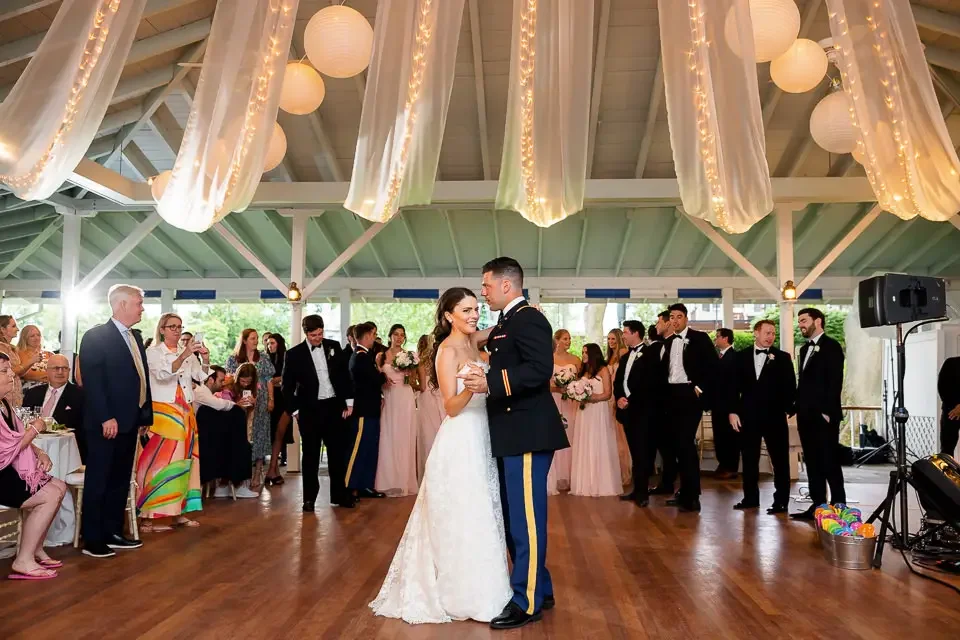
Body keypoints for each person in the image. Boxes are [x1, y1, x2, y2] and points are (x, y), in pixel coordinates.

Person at [370, 287, 510, 624]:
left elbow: (499, 329)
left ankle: (487, 587)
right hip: (461, 436)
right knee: (463, 511)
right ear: (448, 316)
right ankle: (458, 593)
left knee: (483, 510)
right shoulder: (447, 351)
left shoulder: (472, 340)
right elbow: (450, 405)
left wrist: (524, 312)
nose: (474, 315)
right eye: (466, 310)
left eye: (476, 309)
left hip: (482, 434)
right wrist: (475, 389)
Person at [460, 257, 568, 630]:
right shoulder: (507, 321)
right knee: (514, 520)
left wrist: (491, 382)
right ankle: (543, 586)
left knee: (525, 522)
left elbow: (539, 370)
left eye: (486, 285)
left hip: (527, 432)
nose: (483, 291)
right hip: (513, 431)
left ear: (507, 285)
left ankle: (526, 601)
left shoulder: (529, 318)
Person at [78, 284, 152, 558]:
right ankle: (93, 539)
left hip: (130, 421)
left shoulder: (134, 337)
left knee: (120, 480)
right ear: (121, 304)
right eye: (138, 302)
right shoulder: (96, 336)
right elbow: (93, 382)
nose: (142, 308)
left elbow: (141, 379)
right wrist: (105, 416)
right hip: (105, 422)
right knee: (100, 479)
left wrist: (145, 414)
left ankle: (112, 532)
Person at [136, 314, 209, 533]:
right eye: (172, 327)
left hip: (186, 410)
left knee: (185, 462)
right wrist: (186, 353)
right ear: (162, 329)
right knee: (160, 461)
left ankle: (179, 512)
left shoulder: (185, 353)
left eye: (179, 327)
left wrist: (205, 358)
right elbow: (162, 376)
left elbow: (201, 376)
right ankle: (148, 515)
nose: (177, 331)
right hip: (163, 411)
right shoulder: (153, 352)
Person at [0, 352, 68, 580]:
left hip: (9, 469)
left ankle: (34, 546)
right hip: (2, 473)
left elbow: (18, 437)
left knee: (59, 486)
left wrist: (39, 451)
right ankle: (23, 560)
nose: (12, 375)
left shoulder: (4, 404)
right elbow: (6, 452)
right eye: (4, 371)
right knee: (49, 495)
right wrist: (36, 430)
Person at [282, 314, 354, 511]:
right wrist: (294, 409)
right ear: (306, 333)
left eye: (320, 333)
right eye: (314, 335)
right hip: (309, 411)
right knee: (311, 456)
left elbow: (344, 377)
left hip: (333, 407)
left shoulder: (334, 346)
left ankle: (339, 494)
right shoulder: (294, 354)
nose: (318, 338)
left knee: (337, 454)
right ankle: (309, 499)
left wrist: (349, 403)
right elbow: (286, 387)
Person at [728, 320, 796, 514]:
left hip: (774, 417)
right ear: (756, 333)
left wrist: (786, 408)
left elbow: (791, 386)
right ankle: (750, 498)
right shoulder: (740, 357)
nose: (770, 336)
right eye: (767, 332)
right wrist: (733, 412)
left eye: (773, 333)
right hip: (748, 417)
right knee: (749, 459)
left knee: (780, 460)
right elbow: (732, 387)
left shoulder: (783, 358)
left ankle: (781, 501)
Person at [662, 303, 718, 513]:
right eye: (672, 317)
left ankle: (693, 496)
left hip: (689, 394)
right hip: (671, 395)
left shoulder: (700, 338)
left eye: (679, 316)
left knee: (685, 444)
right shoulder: (667, 342)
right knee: (676, 446)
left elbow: (713, 367)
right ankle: (684, 492)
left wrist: (699, 388)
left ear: (686, 318)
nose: (675, 320)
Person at [792, 308, 846, 520]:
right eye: (799, 322)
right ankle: (817, 505)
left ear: (818, 321)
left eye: (804, 321)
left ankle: (839, 504)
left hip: (824, 416)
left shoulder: (831, 346)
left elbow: (835, 381)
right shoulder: (804, 350)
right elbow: (803, 383)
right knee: (813, 462)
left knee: (829, 461)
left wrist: (827, 411)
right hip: (805, 415)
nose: (801, 325)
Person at [194, 366, 257, 499]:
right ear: (211, 380)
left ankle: (223, 485)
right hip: (202, 441)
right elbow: (219, 405)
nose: (223, 384)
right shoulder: (200, 392)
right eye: (221, 380)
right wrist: (236, 405)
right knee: (239, 444)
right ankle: (237, 483)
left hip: (206, 439)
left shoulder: (204, 393)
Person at [613, 320, 658, 507]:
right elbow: (618, 382)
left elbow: (651, 384)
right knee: (634, 452)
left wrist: (631, 399)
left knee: (643, 453)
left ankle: (643, 493)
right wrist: (619, 398)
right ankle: (636, 490)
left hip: (643, 411)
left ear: (636, 333)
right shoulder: (624, 357)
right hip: (627, 412)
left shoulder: (651, 355)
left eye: (625, 332)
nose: (623, 335)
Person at [225, 329, 275, 492]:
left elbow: (268, 380)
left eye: (257, 338)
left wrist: (270, 399)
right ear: (244, 340)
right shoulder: (234, 359)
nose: (256, 341)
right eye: (253, 338)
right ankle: (243, 472)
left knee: (260, 434)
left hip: (260, 400)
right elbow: (230, 379)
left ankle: (257, 472)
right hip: (241, 400)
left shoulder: (263, 357)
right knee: (245, 434)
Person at [569, 343, 621, 497]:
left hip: (598, 411)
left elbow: (607, 393)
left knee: (598, 443)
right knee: (585, 442)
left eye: (585, 352)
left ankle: (600, 482)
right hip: (584, 413)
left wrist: (591, 398)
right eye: (582, 351)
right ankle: (584, 483)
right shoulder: (584, 371)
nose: (583, 355)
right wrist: (576, 394)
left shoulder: (603, 370)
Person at [375, 324, 418, 496]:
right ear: (390, 336)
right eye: (396, 334)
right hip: (388, 397)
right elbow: (376, 378)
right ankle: (387, 480)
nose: (399, 338)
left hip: (405, 396)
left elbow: (412, 381)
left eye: (402, 335)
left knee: (404, 436)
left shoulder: (410, 355)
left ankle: (404, 480)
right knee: (388, 435)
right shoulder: (381, 355)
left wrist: (407, 372)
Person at [346, 322, 386, 499]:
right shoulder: (360, 356)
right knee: (359, 449)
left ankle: (365, 484)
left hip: (371, 409)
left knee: (370, 447)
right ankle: (350, 484)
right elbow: (376, 380)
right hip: (363, 410)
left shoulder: (365, 355)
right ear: (367, 335)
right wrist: (381, 373)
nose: (374, 338)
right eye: (373, 334)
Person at [23, 354, 85, 462]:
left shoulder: (80, 395)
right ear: (47, 371)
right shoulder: (32, 393)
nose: (60, 372)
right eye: (56, 368)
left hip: (62, 451)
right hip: (31, 446)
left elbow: (79, 426)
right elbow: (22, 421)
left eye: (64, 368)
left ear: (69, 370)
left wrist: (49, 426)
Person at [547, 329, 579, 494]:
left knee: (571, 435)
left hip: (570, 402)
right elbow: (543, 382)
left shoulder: (576, 359)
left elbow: (582, 380)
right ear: (557, 340)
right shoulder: (548, 358)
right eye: (565, 339)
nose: (569, 341)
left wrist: (575, 389)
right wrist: (558, 389)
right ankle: (556, 476)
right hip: (553, 399)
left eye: (570, 338)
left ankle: (571, 476)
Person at [415, 333, 444, 481]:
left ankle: (429, 472)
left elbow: (422, 387)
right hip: (439, 393)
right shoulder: (438, 358)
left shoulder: (420, 362)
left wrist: (410, 382)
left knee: (427, 433)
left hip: (426, 397)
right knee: (439, 429)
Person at [605, 328, 632, 488]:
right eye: (609, 339)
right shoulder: (609, 357)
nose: (611, 342)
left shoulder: (623, 353)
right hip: (608, 398)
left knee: (621, 438)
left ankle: (624, 473)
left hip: (618, 397)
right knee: (612, 437)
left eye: (613, 339)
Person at [712, 327, 740, 480]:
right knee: (720, 436)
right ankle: (723, 464)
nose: (715, 339)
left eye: (717, 336)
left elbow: (733, 384)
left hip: (728, 405)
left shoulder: (734, 357)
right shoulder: (719, 356)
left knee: (730, 437)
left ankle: (731, 467)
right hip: (718, 405)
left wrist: (732, 408)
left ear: (725, 339)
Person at [266, 333, 292, 480]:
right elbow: (266, 380)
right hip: (270, 399)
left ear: (279, 344)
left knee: (279, 434)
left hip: (283, 399)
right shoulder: (265, 359)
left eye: (273, 343)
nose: (270, 346)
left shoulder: (287, 358)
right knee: (270, 434)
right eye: (268, 343)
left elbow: (287, 379)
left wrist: (276, 380)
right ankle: (273, 470)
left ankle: (273, 469)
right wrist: (274, 381)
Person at [0, 315, 28, 408]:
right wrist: (31, 360)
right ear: (3, 329)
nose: (18, 329)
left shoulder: (11, 348)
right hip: (6, 392)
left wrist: (32, 363)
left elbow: (20, 373)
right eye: (13, 326)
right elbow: (10, 371)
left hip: (15, 391)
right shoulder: (1, 347)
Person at [16, 325, 51, 394]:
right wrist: (40, 377)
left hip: (49, 387)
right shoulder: (17, 353)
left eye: (38, 335)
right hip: (29, 389)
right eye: (32, 336)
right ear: (25, 338)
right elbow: (19, 373)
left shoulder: (49, 354)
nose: (36, 338)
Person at [938, 356, 960, 456]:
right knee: (947, 450)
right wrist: (955, 407)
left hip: (953, 410)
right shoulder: (951, 363)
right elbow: (942, 387)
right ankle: (947, 471)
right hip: (951, 411)